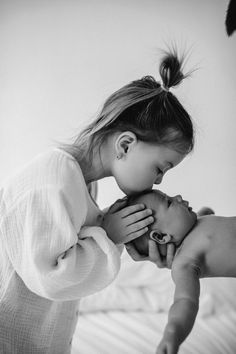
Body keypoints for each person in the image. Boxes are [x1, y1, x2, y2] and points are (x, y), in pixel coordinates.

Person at [0, 48, 194, 353]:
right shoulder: (53, 181)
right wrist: (109, 234)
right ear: (126, 144)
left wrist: (122, 237)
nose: (158, 183)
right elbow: (51, 277)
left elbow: (75, 246)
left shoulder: (82, 183)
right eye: (160, 169)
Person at [125, 189, 234, 354]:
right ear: (161, 237)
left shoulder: (196, 222)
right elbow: (185, 301)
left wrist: (205, 215)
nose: (178, 197)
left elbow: (212, 220)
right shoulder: (184, 262)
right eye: (169, 202)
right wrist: (172, 332)